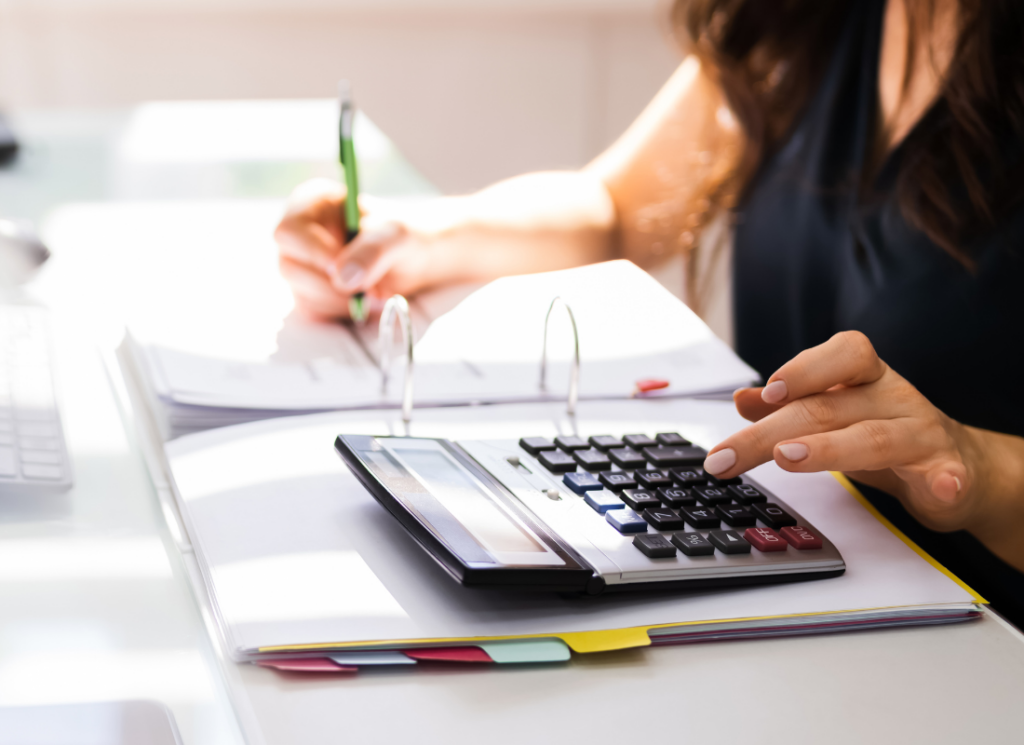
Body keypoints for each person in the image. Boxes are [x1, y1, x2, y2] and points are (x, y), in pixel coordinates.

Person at [275, 0, 1024, 625]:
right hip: (788, 591)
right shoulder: (800, 21)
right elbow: (620, 207)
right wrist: (415, 239)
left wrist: (980, 471)